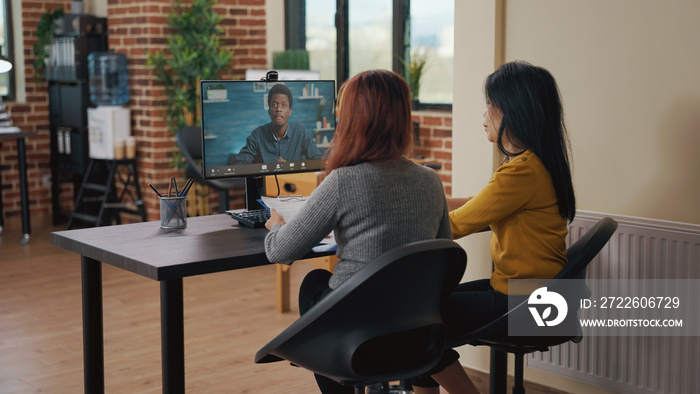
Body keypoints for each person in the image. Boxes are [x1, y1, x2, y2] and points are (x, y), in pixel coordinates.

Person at [264, 69, 452, 394]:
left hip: (358, 341)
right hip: (417, 335)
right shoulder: (430, 180)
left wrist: (275, 225)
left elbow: (279, 251)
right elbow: (443, 254)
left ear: (353, 120)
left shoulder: (342, 182)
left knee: (313, 284)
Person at [411, 61, 576, 394]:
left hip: (524, 301)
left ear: (514, 112)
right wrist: (425, 203)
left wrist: (402, 223)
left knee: (413, 324)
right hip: (535, 295)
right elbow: (478, 203)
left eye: (492, 106)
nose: (484, 114)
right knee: (418, 312)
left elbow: (454, 226)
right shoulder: (534, 164)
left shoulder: (520, 173)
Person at [231, 83, 323, 164]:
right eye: (274, 105)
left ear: (290, 111)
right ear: (269, 111)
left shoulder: (300, 132)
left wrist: (291, 167)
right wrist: (271, 169)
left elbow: (318, 160)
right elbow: (238, 164)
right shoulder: (257, 135)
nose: (278, 109)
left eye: (284, 105)